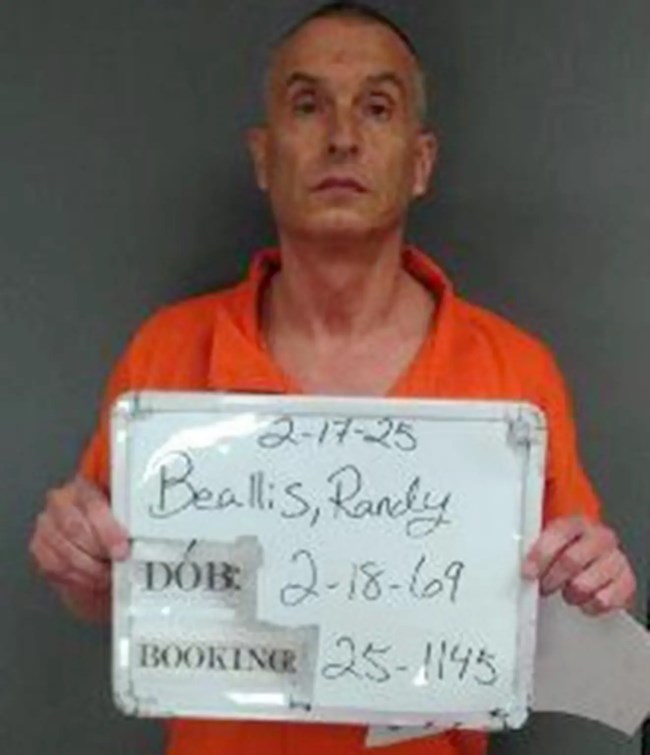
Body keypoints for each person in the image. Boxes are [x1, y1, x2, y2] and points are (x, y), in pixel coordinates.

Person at [29, 3, 636, 754]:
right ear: (263, 156)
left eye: (377, 107)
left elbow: (556, 621)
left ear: (421, 162)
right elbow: (113, 592)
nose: (342, 136)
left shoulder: (515, 372)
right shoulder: (167, 354)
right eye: (308, 104)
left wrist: (591, 586)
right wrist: (78, 563)